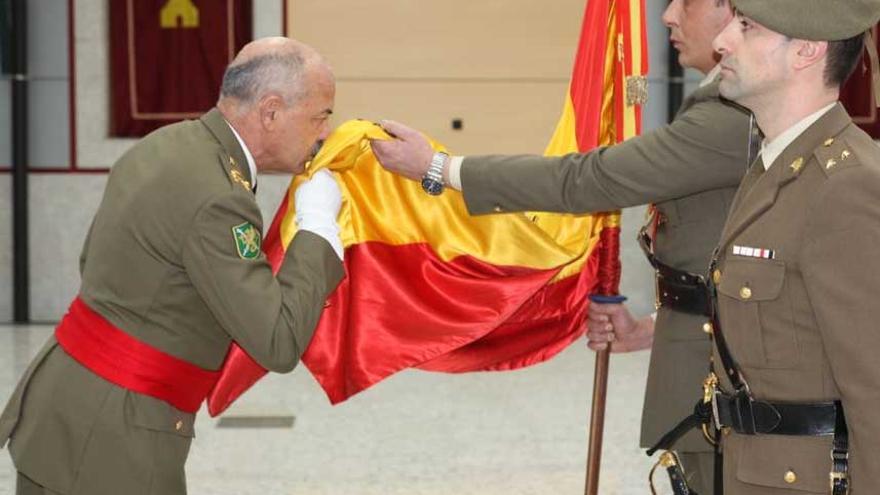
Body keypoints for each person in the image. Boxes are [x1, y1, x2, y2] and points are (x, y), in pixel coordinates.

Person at [371, 1, 750, 491]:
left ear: (739, 14)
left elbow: (589, 178)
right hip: (711, 361)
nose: (668, 16)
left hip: (730, 381)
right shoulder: (723, 105)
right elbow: (726, 257)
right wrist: (649, 329)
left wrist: (439, 168)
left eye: (687, 1)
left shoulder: (730, 112)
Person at [0, 37, 345, 495]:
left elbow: (96, 263)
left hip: (64, 401)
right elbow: (277, 341)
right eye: (320, 115)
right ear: (271, 111)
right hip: (115, 434)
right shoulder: (220, 195)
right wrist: (318, 227)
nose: (325, 132)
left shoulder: (168, 144)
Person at [693, 0, 880, 492]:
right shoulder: (775, 168)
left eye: (747, 26)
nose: (721, 41)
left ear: (807, 50)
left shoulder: (846, 187)